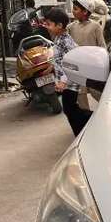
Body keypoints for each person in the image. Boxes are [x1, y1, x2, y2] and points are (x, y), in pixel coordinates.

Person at [42, 8, 92, 136]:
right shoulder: (58, 38)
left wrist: (63, 82)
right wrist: (50, 67)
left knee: (70, 109)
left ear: (59, 25)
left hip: (71, 82)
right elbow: (59, 59)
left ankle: (90, 124)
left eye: (49, 24)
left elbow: (73, 62)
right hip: (66, 81)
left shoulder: (66, 40)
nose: (46, 27)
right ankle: (84, 130)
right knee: (70, 109)